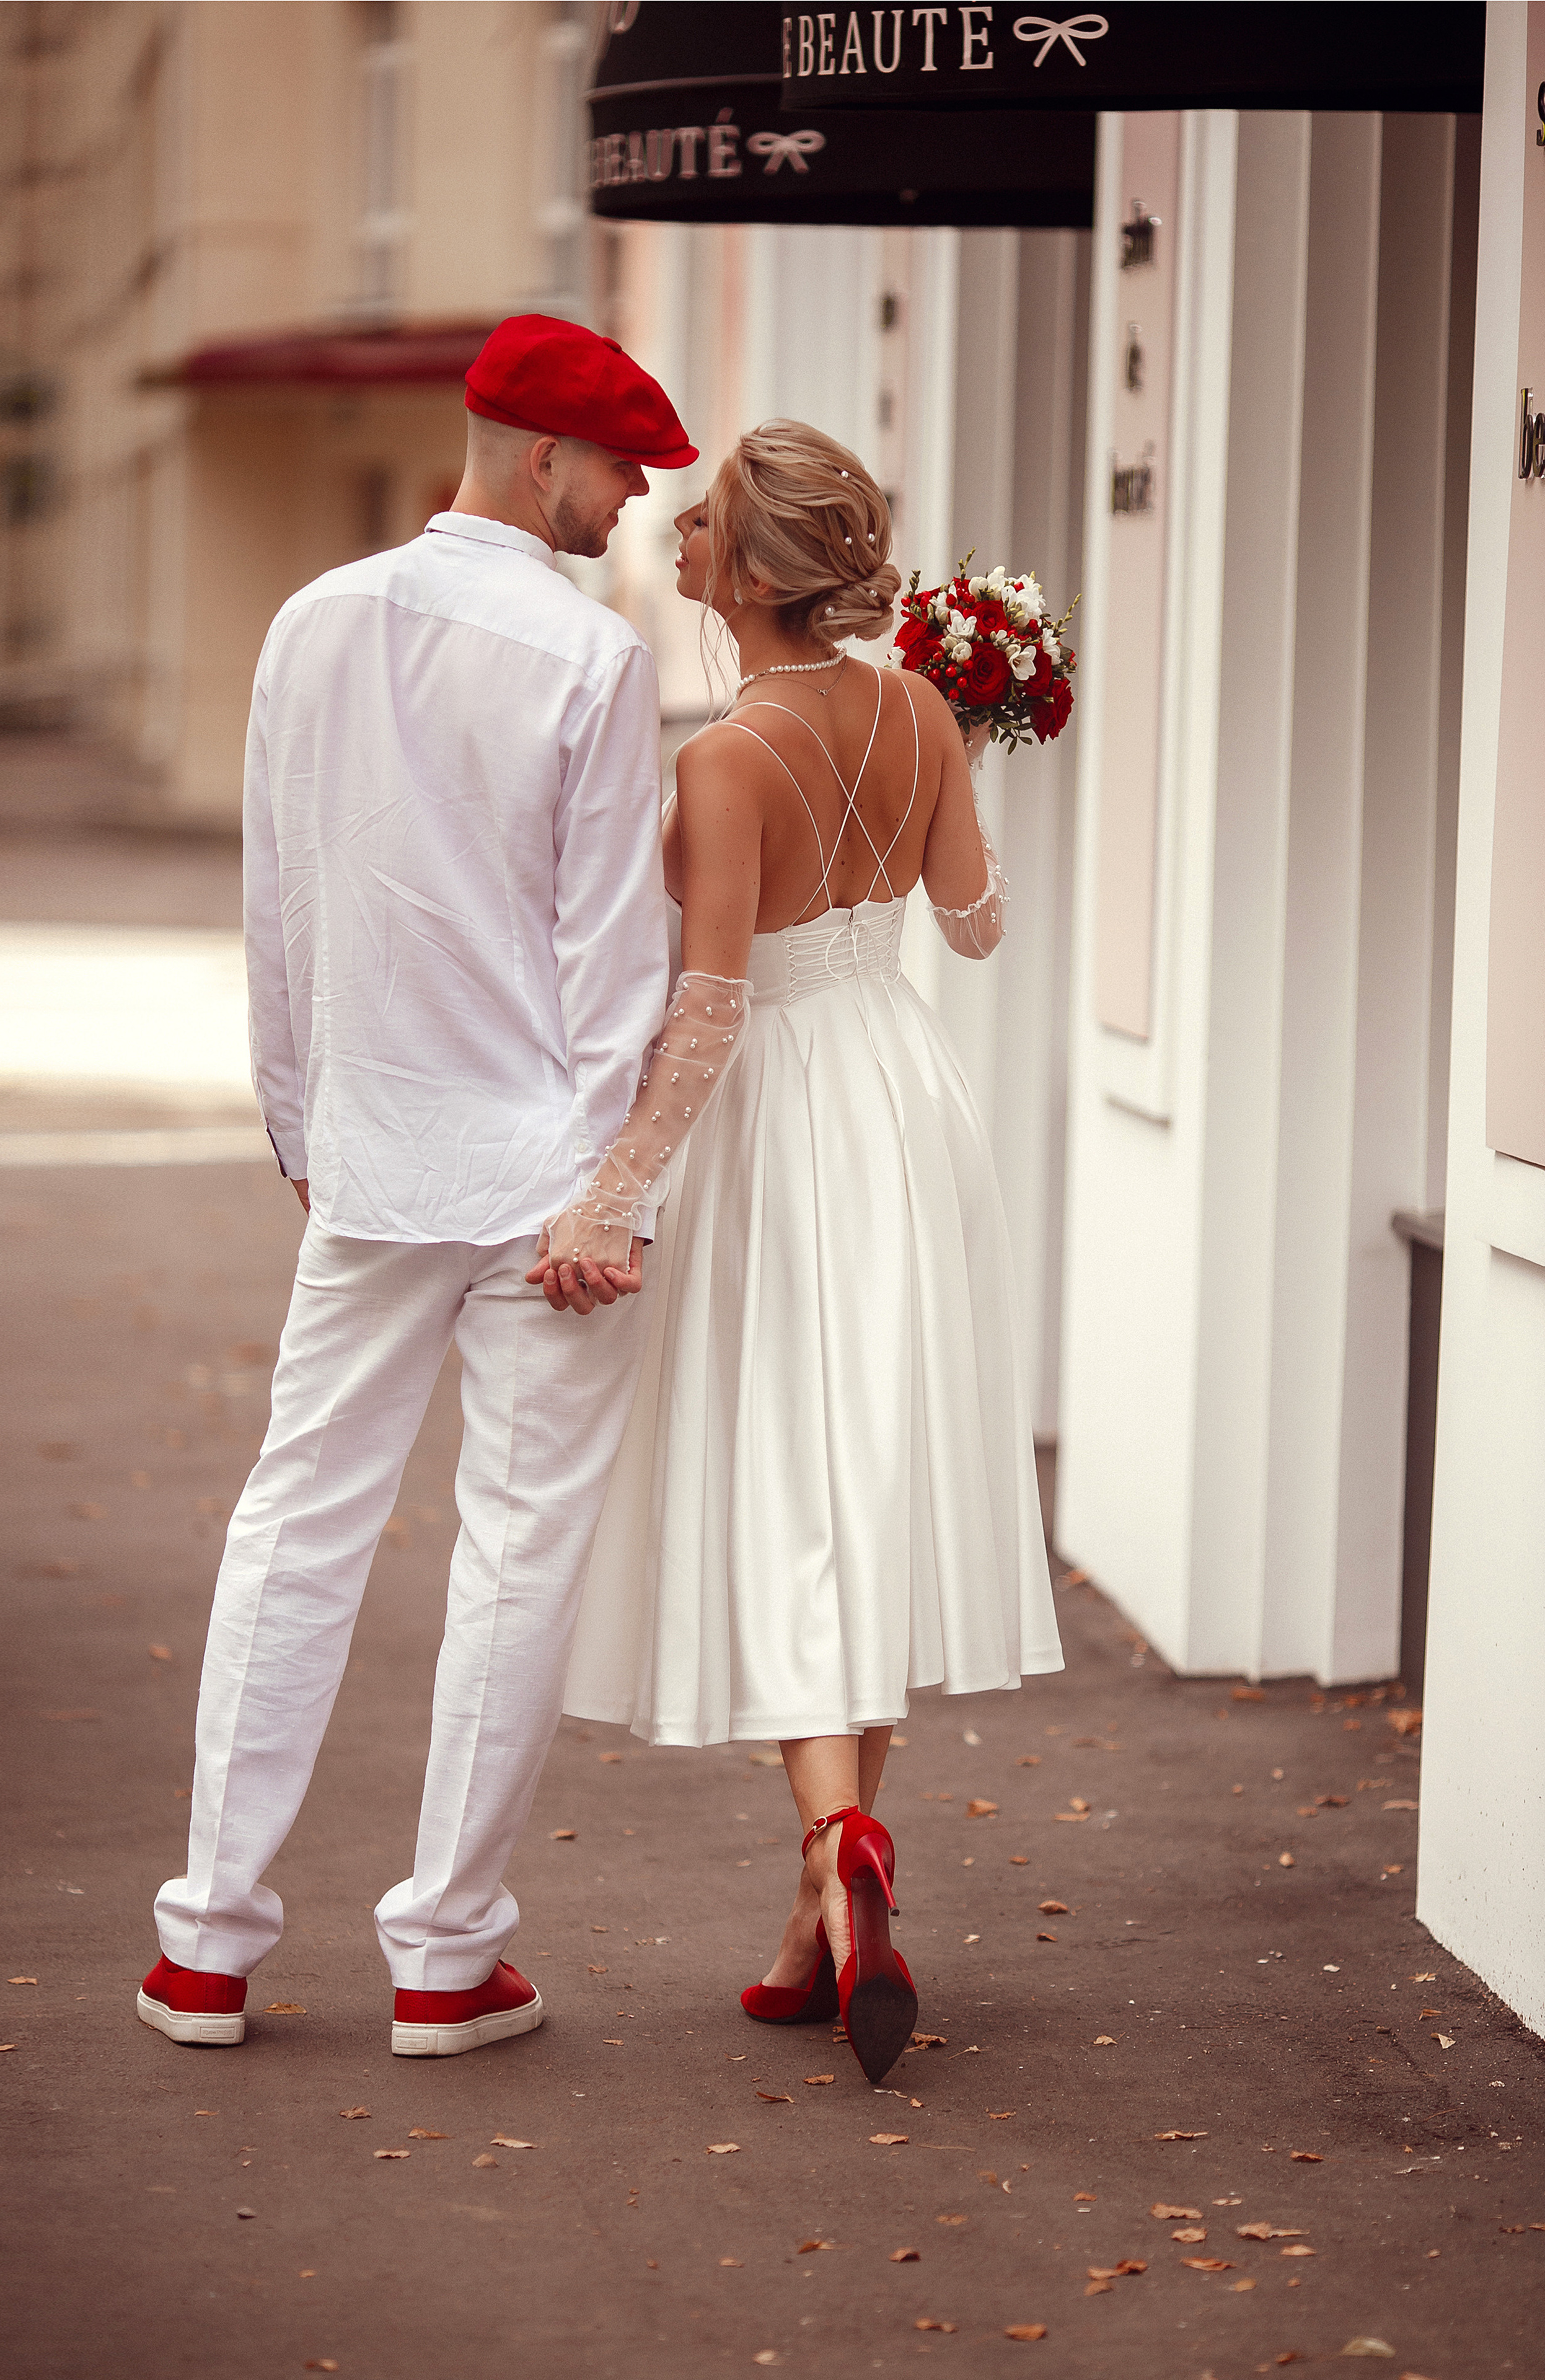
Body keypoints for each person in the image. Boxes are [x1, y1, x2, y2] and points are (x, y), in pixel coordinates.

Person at [139, 315, 698, 2058]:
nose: (633, 501)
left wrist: (301, 1128)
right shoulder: (592, 657)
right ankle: (447, 1958)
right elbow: (613, 959)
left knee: (297, 1524)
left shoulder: (312, 621)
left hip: (374, 1156)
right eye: (620, 470)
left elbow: (281, 900)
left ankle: (205, 1947)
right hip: (544, 1181)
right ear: (543, 456)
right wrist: (610, 1192)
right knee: (516, 1553)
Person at [549, 421, 1063, 2086]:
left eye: (704, 523)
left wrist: (612, 1193)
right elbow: (976, 928)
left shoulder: (722, 760)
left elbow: (709, 1011)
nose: (679, 538)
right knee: (874, 1484)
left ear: (757, 571)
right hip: (903, 1103)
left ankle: (840, 1847)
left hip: (779, 1120)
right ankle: (821, 1919)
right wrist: (962, 751)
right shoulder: (918, 712)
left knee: (790, 1493)